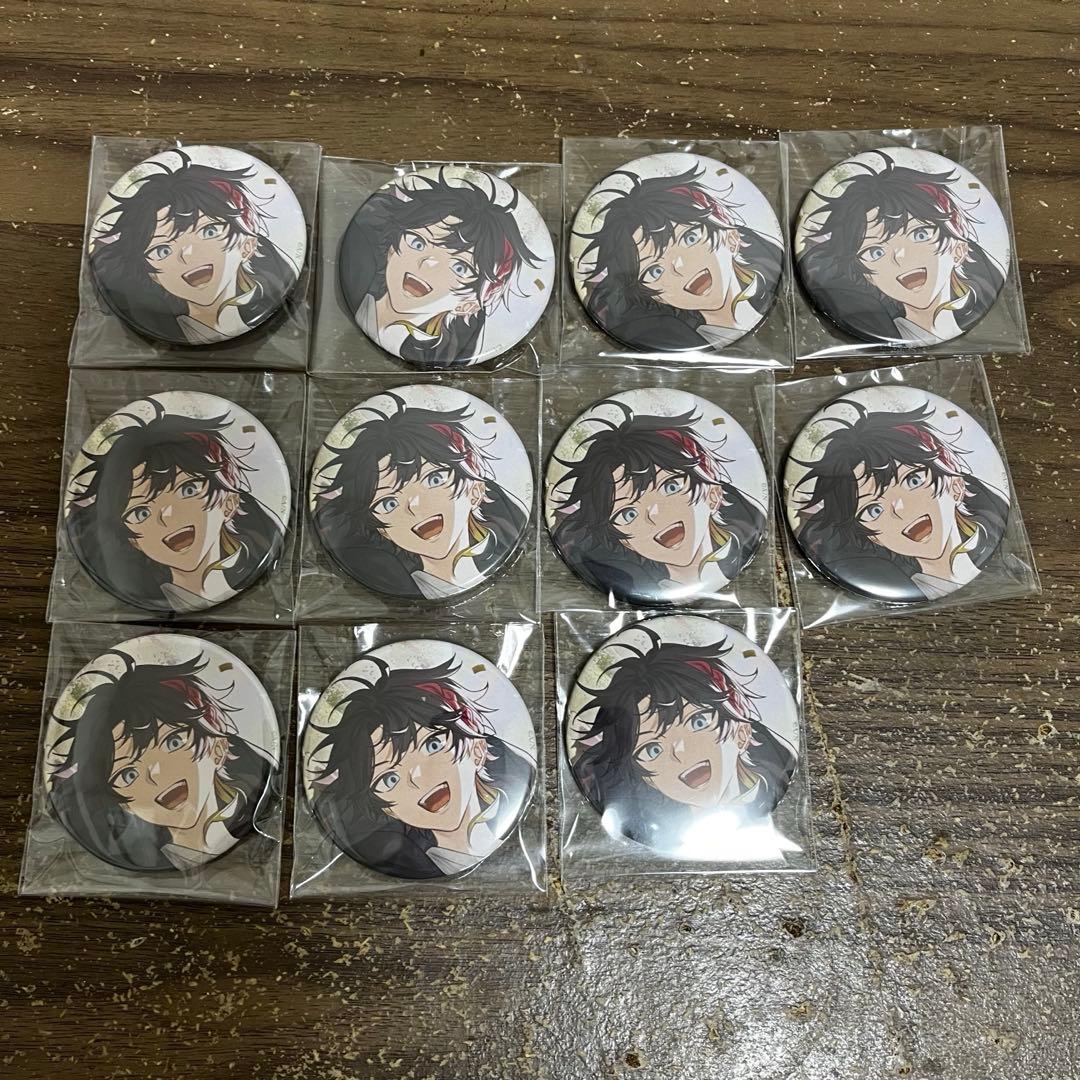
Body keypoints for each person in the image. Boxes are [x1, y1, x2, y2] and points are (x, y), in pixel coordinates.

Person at [309, 656, 535, 878]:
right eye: (389, 779)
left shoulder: (522, 822)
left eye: (432, 745)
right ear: (388, 809)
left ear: (477, 748)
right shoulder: (399, 859)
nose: (415, 777)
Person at [49, 650, 275, 871]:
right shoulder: (134, 853)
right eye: (128, 774)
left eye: (172, 742)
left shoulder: (253, 803)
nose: (154, 774)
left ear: (218, 747)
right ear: (124, 804)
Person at [66, 398, 284, 613]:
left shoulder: (259, 584)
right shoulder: (139, 595)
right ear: (133, 540)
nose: (166, 515)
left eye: (187, 489)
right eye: (140, 512)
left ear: (229, 502)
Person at [312, 393, 528, 599]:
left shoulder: (503, 547)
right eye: (388, 503)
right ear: (382, 530)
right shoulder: (392, 580)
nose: (413, 505)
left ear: (476, 489)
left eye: (434, 479)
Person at [790, 399, 1010, 600]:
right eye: (873, 509)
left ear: (956, 484)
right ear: (874, 537)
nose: (899, 508)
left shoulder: (992, 537)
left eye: (912, 480)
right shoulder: (882, 579)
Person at [549, 400, 766, 600]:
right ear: (625, 542)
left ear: (713, 493)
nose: (653, 514)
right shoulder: (627, 581)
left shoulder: (743, 544)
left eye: (670, 486)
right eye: (628, 513)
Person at [797, 150, 1007, 344]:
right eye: (875, 251)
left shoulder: (980, 301)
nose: (899, 255)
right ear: (867, 276)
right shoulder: (873, 321)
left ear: (959, 248)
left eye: (919, 234)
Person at [90, 148, 298, 344]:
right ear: (153, 275)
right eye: (162, 250)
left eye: (209, 231)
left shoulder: (273, 294)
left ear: (248, 244)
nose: (187, 254)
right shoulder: (156, 322)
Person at [575, 163, 783, 350]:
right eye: (654, 271)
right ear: (655, 296)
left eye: (689, 238)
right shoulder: (670, 338)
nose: (679, 267)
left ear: (730, 235)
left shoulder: (778, 306)